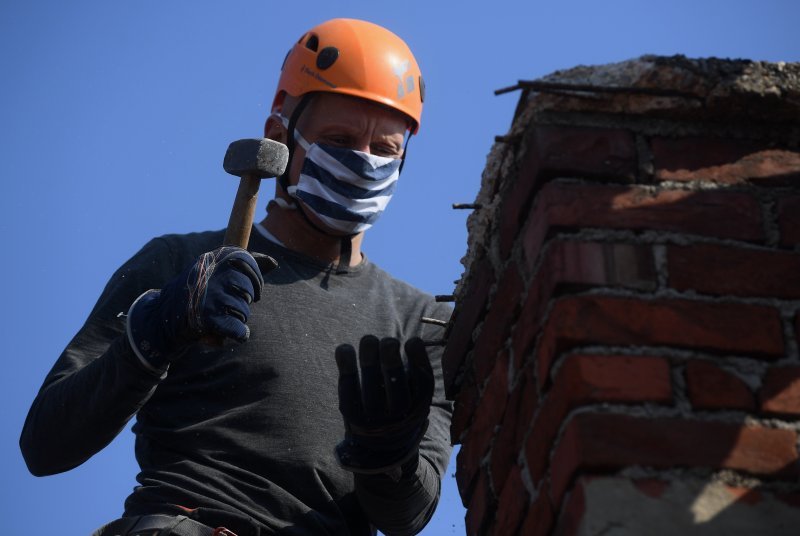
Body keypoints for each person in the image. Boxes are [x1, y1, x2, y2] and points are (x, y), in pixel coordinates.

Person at [20, 18, 453, 536]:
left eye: (385, 149)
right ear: (278, 136)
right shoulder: (183, 263)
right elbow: (46, 444)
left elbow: (409, 517)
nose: (363, 162)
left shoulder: (421, 324)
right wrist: (154, 330)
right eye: (339, 138)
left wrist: (389, 454)